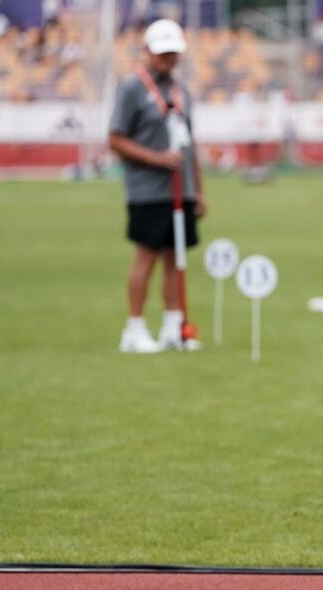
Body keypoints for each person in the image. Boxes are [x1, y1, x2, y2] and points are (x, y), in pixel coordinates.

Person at [109, 19, 207, 353]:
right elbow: (116, 139)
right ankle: (134, 329)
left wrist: (199, 191)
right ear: (148, 51)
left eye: (173, 53)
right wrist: (156, 159)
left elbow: (190, 144)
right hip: (147, 191)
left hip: (182, 191)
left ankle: (173, 326)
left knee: (174, 259)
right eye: (163, 52)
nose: (168, 58)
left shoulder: (181, 91)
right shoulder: (131, 88)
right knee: (145, 259)